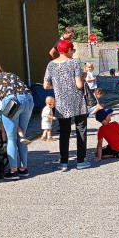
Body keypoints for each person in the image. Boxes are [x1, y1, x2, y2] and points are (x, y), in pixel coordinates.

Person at [43, 39, 89, 171]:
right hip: (77, 101)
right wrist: (83, 77)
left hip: (62, 103)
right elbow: (79, 85)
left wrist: (58, 86)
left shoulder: (51, 65)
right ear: (68, 50)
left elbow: (46, 85)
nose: (73, 52)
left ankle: (63, 162)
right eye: (72, 49)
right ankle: (81, 161)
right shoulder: (74, 63)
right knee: (81, 129)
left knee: (64, 132)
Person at [0, 63, 34, 180]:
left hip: (11, 102)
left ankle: (13, 171)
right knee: (21, 136)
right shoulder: (12, 75)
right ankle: (23, 168)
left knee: (11, 138)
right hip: (28, 99)